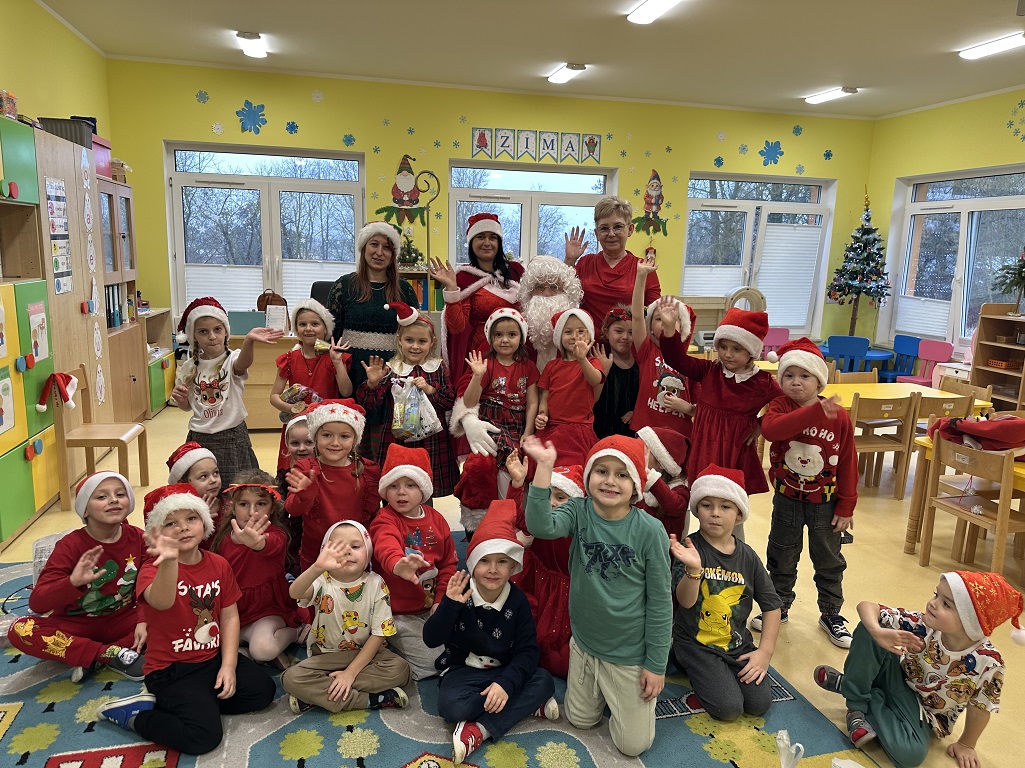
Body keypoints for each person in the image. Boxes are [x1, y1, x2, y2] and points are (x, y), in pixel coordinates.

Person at [97, 484, 275, 755]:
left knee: (263, 692)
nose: (183, 528)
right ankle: (137, 716)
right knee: (203, 737)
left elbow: (229, 616)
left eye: (191, 518)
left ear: (204, 523)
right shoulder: (152, 569)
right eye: (171, 523)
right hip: (171, 670)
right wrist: (169, 561)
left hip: (211, 659)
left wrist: (228, 665)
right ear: (157, 533)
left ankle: (198, 704)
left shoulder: (218, 564)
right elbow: (162, 601)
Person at [522, 433, 670, 757]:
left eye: (622, 474)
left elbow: (661, 602)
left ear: (636, 485)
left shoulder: (650, 531)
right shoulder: (579, 510)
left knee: (632, 746)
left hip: (628, 651)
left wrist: (656, 665)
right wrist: (544, 469)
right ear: (588, 477)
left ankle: (624, 695)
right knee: (579, 720)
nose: (610, 481)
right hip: (585, 642)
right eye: (602, 471)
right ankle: (604, 689)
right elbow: (541, 526)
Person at [814, 572, 1023, 768]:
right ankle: (856, 705)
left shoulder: (988, 662)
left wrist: (966, 744)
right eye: (936, 595)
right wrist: (877, 632)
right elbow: (867, 607)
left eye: (946, 604)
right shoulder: (923, 624)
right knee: (871, 628)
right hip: (895, 678)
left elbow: (980, 707)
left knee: (910, 755)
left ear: (972, 622)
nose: (933, 603)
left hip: (922, 714)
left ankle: (851, 686)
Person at [423, 500, 558, 765]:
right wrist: (449, 605)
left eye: (502, 562)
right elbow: (431, 639)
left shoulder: (518, 601)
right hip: (464, 671)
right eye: (484, 560)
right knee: (451, 708)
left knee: (545, 680)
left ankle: (481, 730)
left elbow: (528, 652)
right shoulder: (460, 593)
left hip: (504, 670)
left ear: (513, 566)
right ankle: (527, 704)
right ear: (472, 563)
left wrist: (506, 684)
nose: (493, 569)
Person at [755, 338, 858, 648]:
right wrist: (812, 413)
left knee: (829, 559)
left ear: (819, 381)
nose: (796, 382)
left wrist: (847, 505)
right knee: (781, 554)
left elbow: (848, 460)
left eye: (804, 376)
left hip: (825, 503)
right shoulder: (780, 407)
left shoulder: (837, 415)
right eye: (789, 375)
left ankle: (831, 613)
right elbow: (771, 431)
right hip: (787, 499)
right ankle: (779, 606)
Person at [658, 300, 784, 533]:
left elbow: (785, 405)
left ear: (751, 351)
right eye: (723, 346)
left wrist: (761, 424)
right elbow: (677, 359)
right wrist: (669, 328)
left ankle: (733, 551)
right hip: (704, 450)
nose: (727, 354)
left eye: (736, 349)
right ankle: (686, 547)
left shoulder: (763, 382)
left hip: (735, 455)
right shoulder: (710, 370)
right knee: (696, 501)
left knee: (730, 508)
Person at [7, 472, 145, 682]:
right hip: (76, 625)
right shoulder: (69, 545)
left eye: (120, 494)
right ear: (85, 510)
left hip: (124, 620)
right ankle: (109, 654)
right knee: (21, 629)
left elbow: (148, 588)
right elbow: (37, 603)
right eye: (101, 496)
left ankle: (94, 656)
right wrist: (72, 583)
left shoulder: (139, 538)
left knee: (174, 610)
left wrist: (144, 620)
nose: (113, 500)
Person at [670, 465, 782, 722]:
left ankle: (717, 673)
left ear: (739, 513)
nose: (715, 513)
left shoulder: (748, 556)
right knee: (729, 709)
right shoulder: (690, 548)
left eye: (726, 506)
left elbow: (772, 606)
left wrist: (764, 653)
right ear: (696, 509)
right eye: (707, 505)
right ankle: (683, 662)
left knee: (759, 704)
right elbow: (685, 602)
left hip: (736, 644)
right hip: (696, 645)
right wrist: (694, 571)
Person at [282, 521, 411, 714]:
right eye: (338, 548)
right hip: (326, 655)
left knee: (401, 669)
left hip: (366, 654)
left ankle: (320, 695)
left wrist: (350, 674)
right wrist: (317, 567)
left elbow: (379, 634)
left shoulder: (376, 583)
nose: (347, 551)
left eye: (356, 546)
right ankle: (370, 700)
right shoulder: (321, 580)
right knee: (291, 678)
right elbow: (295, 592)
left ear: (368, 552)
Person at [327, 221, 419, 458]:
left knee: (387, 442)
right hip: (351, 371)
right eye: (374, 245)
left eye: (386, 247)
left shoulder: (405, 290)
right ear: (363, 248)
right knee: (351, 438)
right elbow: (332, 333)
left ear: (393, 254)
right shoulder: (344, 285)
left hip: (391, 372)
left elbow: (414, 333)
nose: (379, 252)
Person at [170, 296, 284, 485]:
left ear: (225, 332)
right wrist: (182, 401)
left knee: (237, 486)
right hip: (199, 436)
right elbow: (188, 406)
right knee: (204, 486)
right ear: (194, 336)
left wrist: (249, 341)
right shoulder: (189, 367)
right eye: (203, 331)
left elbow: (243, 364)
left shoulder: (233, 358)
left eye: (217, 329)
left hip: (231, 437)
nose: (212, 336)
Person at [369, 444, 458, 680]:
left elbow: (448, 564)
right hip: (397, 612)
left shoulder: (437, 519)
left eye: (411, 485)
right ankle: (383, 641)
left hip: (431, 605)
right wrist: (397, 564)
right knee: (434, 663)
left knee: (472, 638)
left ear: (424, 490)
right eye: (394, 486)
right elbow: (385, 545)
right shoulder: (385, 519)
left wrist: (440, 600)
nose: (401, 492)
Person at [450, 307, 539, 536]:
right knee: (498, 464)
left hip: (517, 424)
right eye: (498, 335)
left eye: (512, 334)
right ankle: (494, 517)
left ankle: (512, 519)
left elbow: (532, 403)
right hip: (491, 423)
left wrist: (528, 432)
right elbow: (469, 402)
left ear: (521, 338)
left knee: (518, 466)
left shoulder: (527, 366)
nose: (505, 340)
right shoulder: (487, 364)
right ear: (490, 338)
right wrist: (477, 376)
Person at [357, 301, 458, 497]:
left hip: (431, 440)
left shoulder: (438, 367)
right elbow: (370, 404)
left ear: (432, 342)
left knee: (425, 486)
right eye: (409, 340)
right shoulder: (392, 368)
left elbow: (449, 401)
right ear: (400, 340)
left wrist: (429, 389)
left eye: (422, 341)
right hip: (397, 439)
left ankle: (424, 514)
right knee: (396, 484)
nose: (415, 346)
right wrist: (372, 384)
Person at [209, 470, 304, 666]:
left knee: (262, 649)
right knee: (205, 642)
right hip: (234, 611)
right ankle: (246, 647)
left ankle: (296, 633)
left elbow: (269, 545)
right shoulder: (223, 538)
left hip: (267, 610)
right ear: (233, 507)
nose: (252, 512)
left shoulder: (276, 534)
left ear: (272, 508)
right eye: (244, 504)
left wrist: (257, 543)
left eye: (261, 504)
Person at [507, 455, 583, 679]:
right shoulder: (539, 520)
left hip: (565, 594)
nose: (551, 502)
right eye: (548, 495)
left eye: (560, 497)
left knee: (558, 656)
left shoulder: (580, 527)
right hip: (535, 581)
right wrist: (517, 484)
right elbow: (515, 517)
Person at [285, 399, 382, 573]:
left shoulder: (368, 471)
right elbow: (292, 509)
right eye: (327, 435)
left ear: (355, 440)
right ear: (315, 437)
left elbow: (375, 516)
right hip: (317, 556)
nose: (335, 443)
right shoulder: (306, 469)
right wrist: (304, 494)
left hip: (356, 557)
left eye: (344, 436)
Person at [431, 213, 524, 385]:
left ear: (499, 242)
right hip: (480, 357)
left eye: (492, 237)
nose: (487, 243)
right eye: (480, 237)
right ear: (471, 242)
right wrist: (451, 288)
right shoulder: (464, 277)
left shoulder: (517, 272)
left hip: (515, 354)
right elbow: (456, 327)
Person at [270, 299, 353, 478]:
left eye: (315, 324)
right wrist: (292, 408)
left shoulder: (334, 357)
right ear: (296, 328)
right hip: (297, 425)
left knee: (324, 472)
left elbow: (346, 391)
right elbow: (274, 396)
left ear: (325, 328)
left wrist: (337, 363)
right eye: (302, 324)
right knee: (294, 472)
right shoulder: (289, 359)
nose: (308, 329)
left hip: (326, 424)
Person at [564, 195, 661, 332]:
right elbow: (563, 294)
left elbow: (654, 314)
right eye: (604, 228)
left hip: (627, 342)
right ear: (596, 234)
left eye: (618, 227)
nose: (611, 234)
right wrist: (570, 260)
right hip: (587, 342)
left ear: (630, 229)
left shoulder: (643, 269)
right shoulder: (585, 263)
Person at [630, 261, 696, 436]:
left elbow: (703, 409)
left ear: (684, 328)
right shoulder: (647, 351)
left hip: (679, 434)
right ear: (650, 328)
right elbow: (637, 317)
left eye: (673, 319)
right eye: (659, 319)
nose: (666, 322)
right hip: (647, 431)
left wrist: (688, 408)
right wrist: (641, 276)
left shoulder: (690, 364)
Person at [533, 308, 605, 467]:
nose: (574, 336)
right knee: (543, 464)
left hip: (579, 428)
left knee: (573, 465)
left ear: (590, 336)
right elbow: (545, 396)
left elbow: (595, 380)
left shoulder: (592, 362)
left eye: (581, 331)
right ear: (559, 336)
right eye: (568, 332)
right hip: (553, 427)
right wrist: (542, 414)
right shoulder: (552, 366)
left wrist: (582, 359)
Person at [517, 255, 585, 372]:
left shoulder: (579, 325)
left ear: (566, 291)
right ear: (530, 291)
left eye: (554, 287)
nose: (547, 294)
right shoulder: (517, 325)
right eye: (539, 287)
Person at [166, 441, 229, 547]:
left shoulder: (229, 505)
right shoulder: (178, 513)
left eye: (216, 473)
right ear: (183, 483)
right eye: (203, 476)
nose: (213, 480)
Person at [637, 426, 691, 540]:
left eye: (642, 450)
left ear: (662, 463)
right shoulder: (637, 481)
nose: (636, 453)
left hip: (664, 549)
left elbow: (674, 505)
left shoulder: (680, 490)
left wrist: (650, 477)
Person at [277, 412, 315, 575]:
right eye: (295, 443)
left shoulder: (323, 474)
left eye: (309, 442)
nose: (302, 448)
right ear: (287, 446)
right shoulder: (283, 478)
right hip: (292, 540)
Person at [593, 306, 639, 438]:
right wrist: (603, 372)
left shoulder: (641, 365)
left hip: (631, 435)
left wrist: (638, 412)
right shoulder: (598, 362)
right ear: (606, 332)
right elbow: (591, 399)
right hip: (601, 433)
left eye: (631, 332)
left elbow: (647, 398)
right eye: (619, 331)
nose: (625, 337)